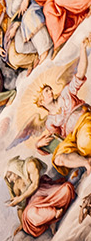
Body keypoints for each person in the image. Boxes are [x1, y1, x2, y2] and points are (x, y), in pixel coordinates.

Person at [36, 36, 91, 174]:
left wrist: (83, 49)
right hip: (71, 138)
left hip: (83, 122)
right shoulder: (50, 122)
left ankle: (85, 157)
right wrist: (38, 145)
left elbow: (80, 73)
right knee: (58, 158)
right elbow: (56, 141)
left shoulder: (66, 93)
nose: (50, 91)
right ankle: (85, 163)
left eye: (49, 89)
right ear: (41, 102)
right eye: (46, 91)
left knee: (85, 142)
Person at [4, 156, 75, 237]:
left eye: (9, 175)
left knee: (66, 190)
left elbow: (35, 185)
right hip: (34, 201)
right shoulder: (16, 187)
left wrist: (20, 198)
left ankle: (52, 218)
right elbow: (20, 207)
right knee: (30, 214)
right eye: (7, 178)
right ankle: (53, 214)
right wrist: (21, 224)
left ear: (15, 168)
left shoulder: (30, 165)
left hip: (46, 191)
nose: (10, 180)